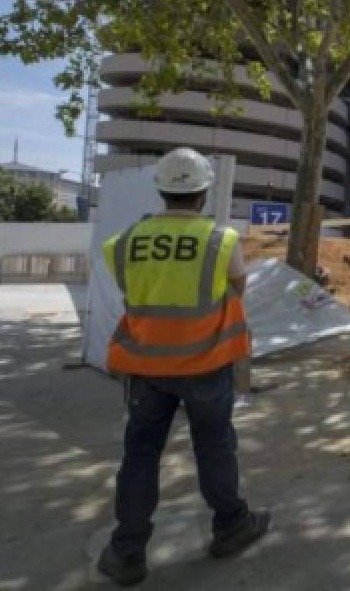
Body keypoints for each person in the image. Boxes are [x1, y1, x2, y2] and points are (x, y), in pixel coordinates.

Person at [97, 147, 269, 587]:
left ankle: (127, 552)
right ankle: (231, 526)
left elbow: (129, 288)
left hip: (146, 369)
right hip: (206, 366)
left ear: (160, 190)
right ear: (204, 193)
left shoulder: (125, 243)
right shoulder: (221, 240)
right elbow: (236, 289)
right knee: (214, 447)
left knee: (139, 455)